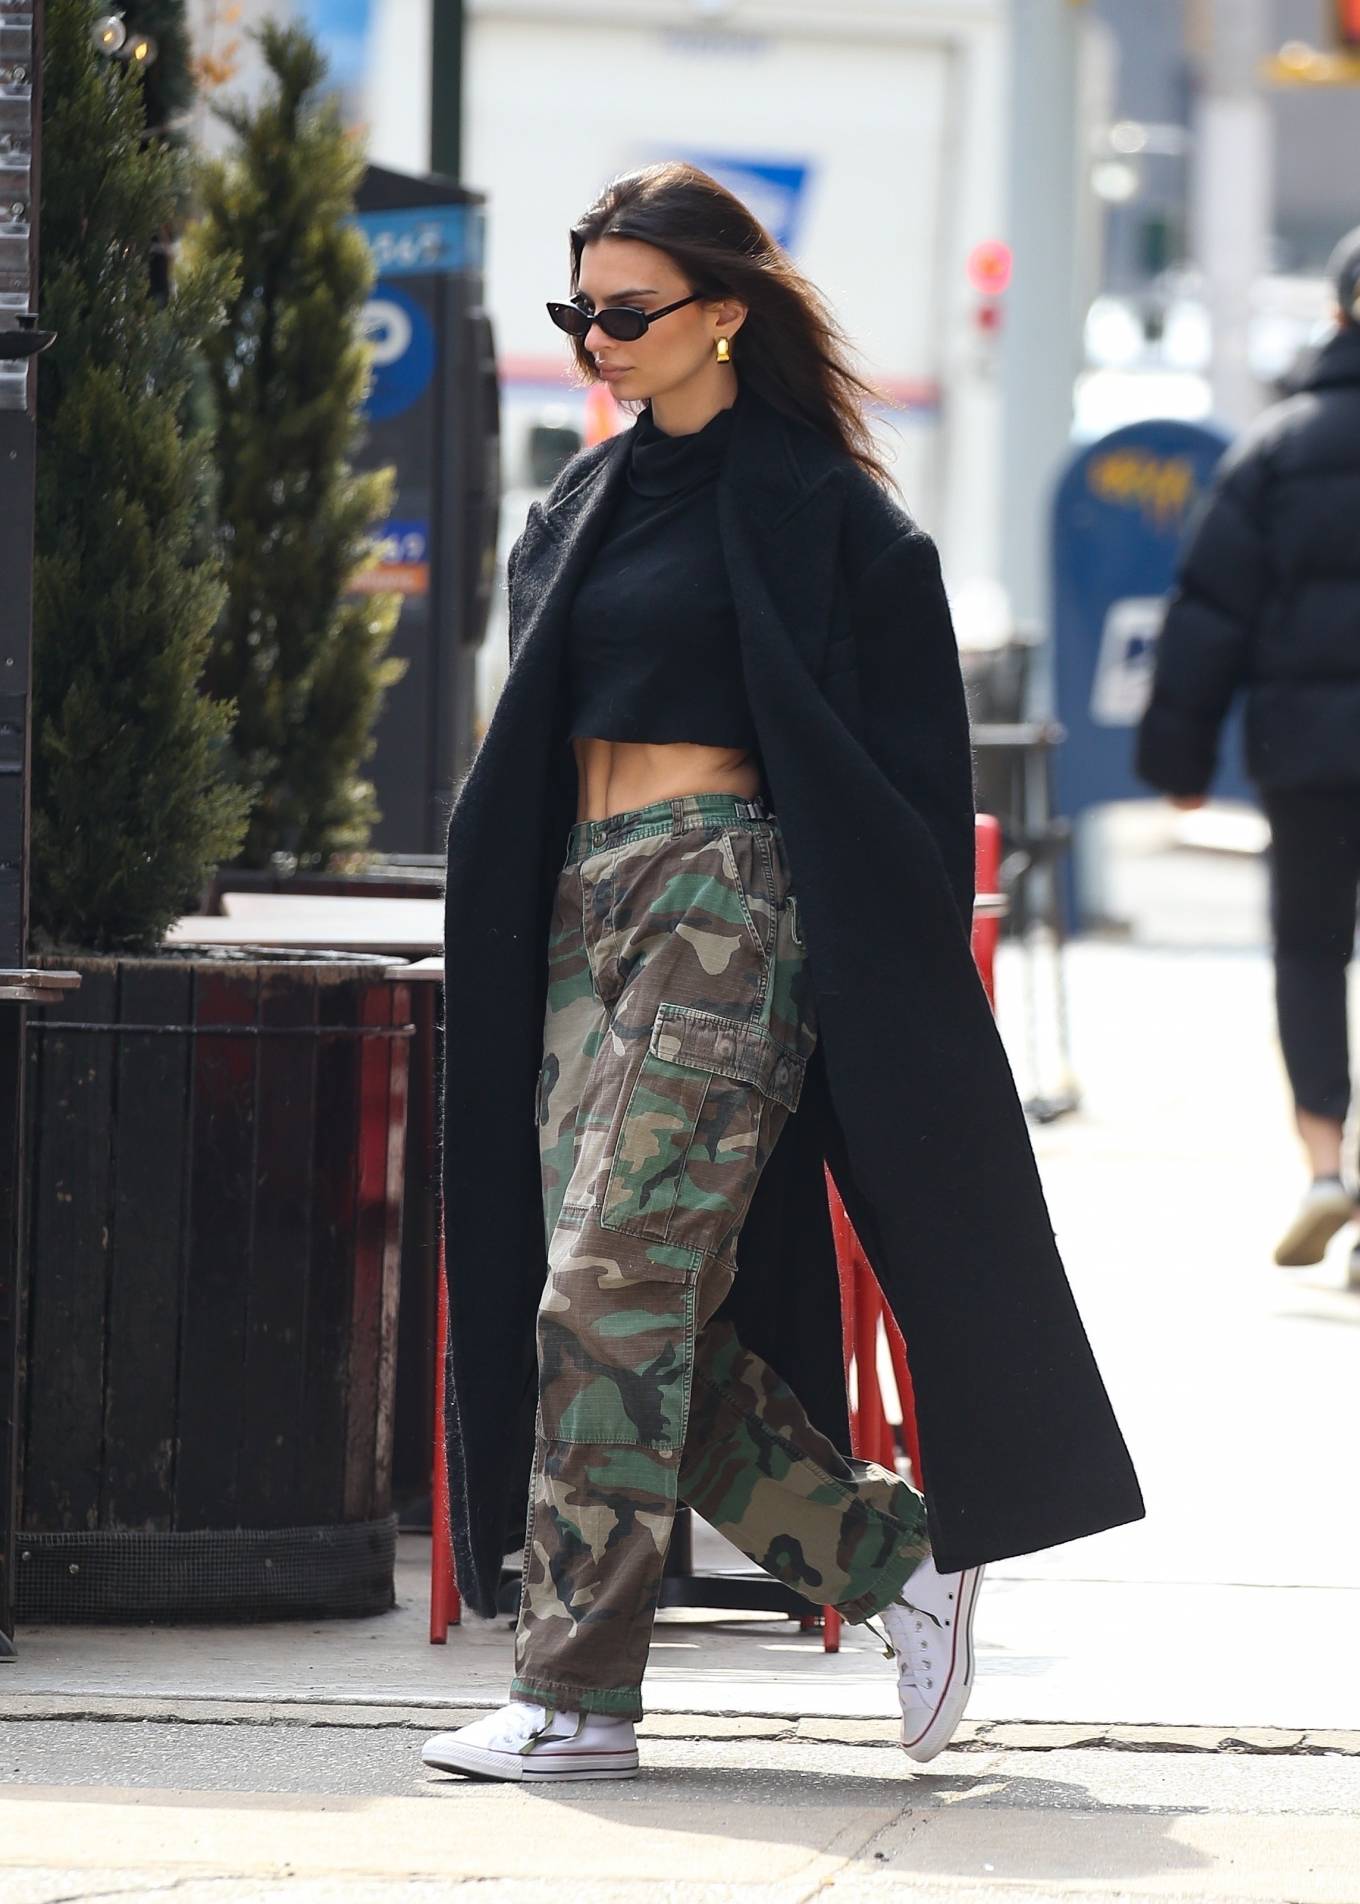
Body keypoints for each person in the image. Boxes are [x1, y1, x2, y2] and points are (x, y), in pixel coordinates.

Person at [424, 162, 1143, 1784]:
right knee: (625, 1307)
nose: (599, 339)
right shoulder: (575, 510)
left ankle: (576, 1699)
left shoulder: (830, 516)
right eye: (580, 310)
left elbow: (902, 775)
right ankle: (899, 1564)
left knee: (605, 1297)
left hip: (728, 912)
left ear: (726, 313)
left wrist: (856, 977)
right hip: (585, 922)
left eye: (629, 310)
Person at [1136, 225, 1360, 1281]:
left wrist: (1179, 759)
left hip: (1305, 753)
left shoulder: (1277, 449)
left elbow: (1208, 615)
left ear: (1336, 313)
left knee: (1310, 952)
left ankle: (1326, 1168)